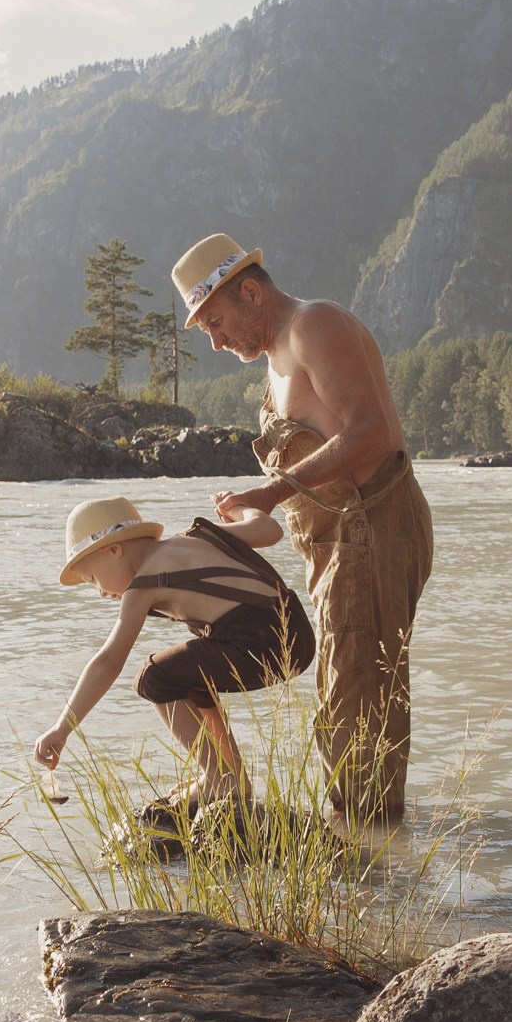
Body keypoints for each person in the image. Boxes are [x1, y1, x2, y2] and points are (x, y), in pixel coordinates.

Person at [172, 233, 432, 826]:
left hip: (371, 527)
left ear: (250, 291)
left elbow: (372, 433)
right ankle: (373, 844)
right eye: (204, 330)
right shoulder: (274, 355)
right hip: (335, 544)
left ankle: (371, 859)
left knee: (356, 698)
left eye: (215, 322)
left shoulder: (315, 325)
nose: (214, 341)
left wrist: (269, 490)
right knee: (349, 692)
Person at [33, 496, 316, 820]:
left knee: (154, 676)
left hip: (261, 643)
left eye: (94, 579)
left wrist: (61, 728)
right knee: (186, 673)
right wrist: (237, 507)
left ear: (113, 549)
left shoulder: (143, 586)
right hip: (296, 632)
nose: (100, 592)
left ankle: (221, 778)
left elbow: (108, 661)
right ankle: (226, 774)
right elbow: (268, 529)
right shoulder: (199, 536)